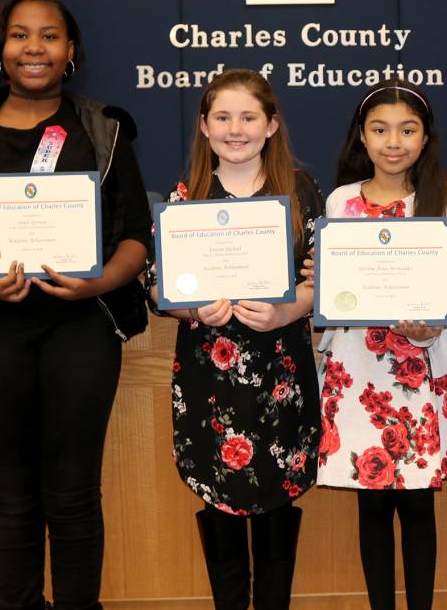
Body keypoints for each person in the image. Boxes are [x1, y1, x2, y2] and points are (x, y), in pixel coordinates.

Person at [0, 0, 151, 610]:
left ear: (70, 50)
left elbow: (135, 238)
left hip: (83, 327)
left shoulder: (104, 127)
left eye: (48, 35)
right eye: (20, 34)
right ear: (1, 46)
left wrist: (99, 281)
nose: (33, 47)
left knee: (73, 490)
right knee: (11, 491)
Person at [146, 69, 323, 610]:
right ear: (204, 126)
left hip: (281, 371)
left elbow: (322, 280)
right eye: (222, 117)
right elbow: (157, 288)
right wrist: (192, 306)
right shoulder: (184, 196)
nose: (235, 128)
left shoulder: (301, 190)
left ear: (271, 125)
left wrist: (286, 310)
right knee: (218, 493)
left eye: (248, 117)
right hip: (208, 376)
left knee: (276, 497)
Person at [312, 79, 447, 610]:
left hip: (423, 365)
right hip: (358, 369)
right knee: (371, 505)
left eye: (407, 130)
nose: (394, 142)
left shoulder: (446, 197)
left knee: (417, 506)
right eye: (380, 130)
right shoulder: (341, 200)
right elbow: (335, 288)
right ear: (361, 138)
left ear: (425, 136)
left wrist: (428, 326)